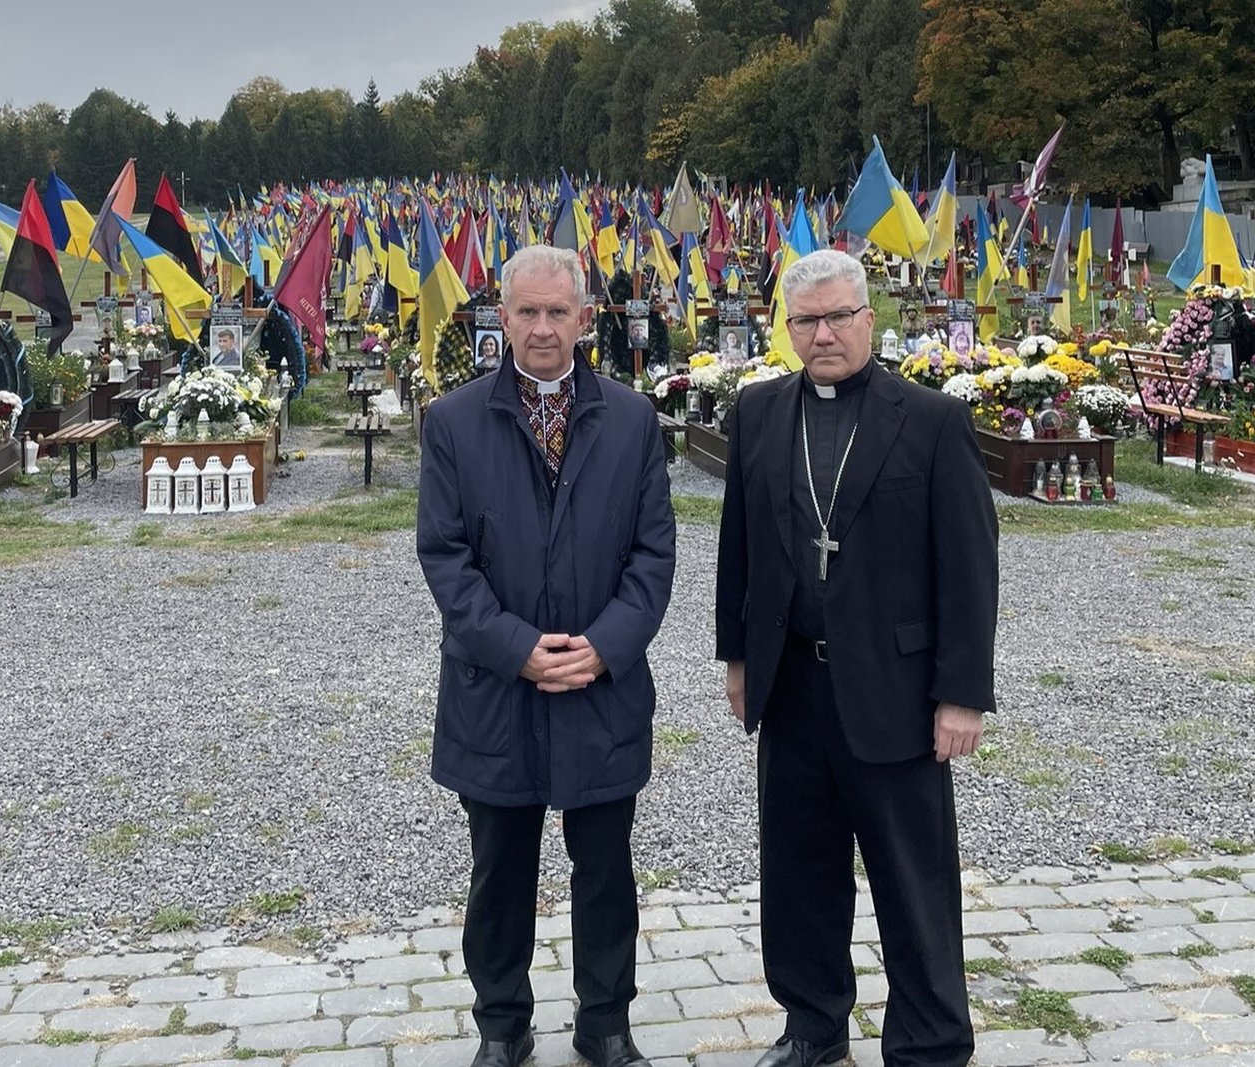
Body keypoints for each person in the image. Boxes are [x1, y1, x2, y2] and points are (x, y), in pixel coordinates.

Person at [715, 249, 997, 1067]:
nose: (825, 333)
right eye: (807, 320)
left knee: (913, 879)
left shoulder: (932, 420)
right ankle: (813, 1023)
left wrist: (963, 694)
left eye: (839, 316)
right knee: (798, 870)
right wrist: (737, 658)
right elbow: (740, 547)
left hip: (898, 689)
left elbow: (970, 566)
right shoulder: (761, 413)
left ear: (870, 318)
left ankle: (931, 1038)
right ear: (789, 329)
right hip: (794, 680)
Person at [417, 244, 676, 1067]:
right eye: (525, 311)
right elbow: (445, 557)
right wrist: (517, 648)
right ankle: (502, 1022)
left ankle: (605, 1021)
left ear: (584, 318)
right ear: (502, 314)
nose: (539, 328)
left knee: (605, 865)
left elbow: (652, 554)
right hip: (497, 690)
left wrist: (603, 648)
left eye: (556, 312)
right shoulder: (455, 420)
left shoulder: (632, 419)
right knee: (500, 870)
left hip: (601, 686)